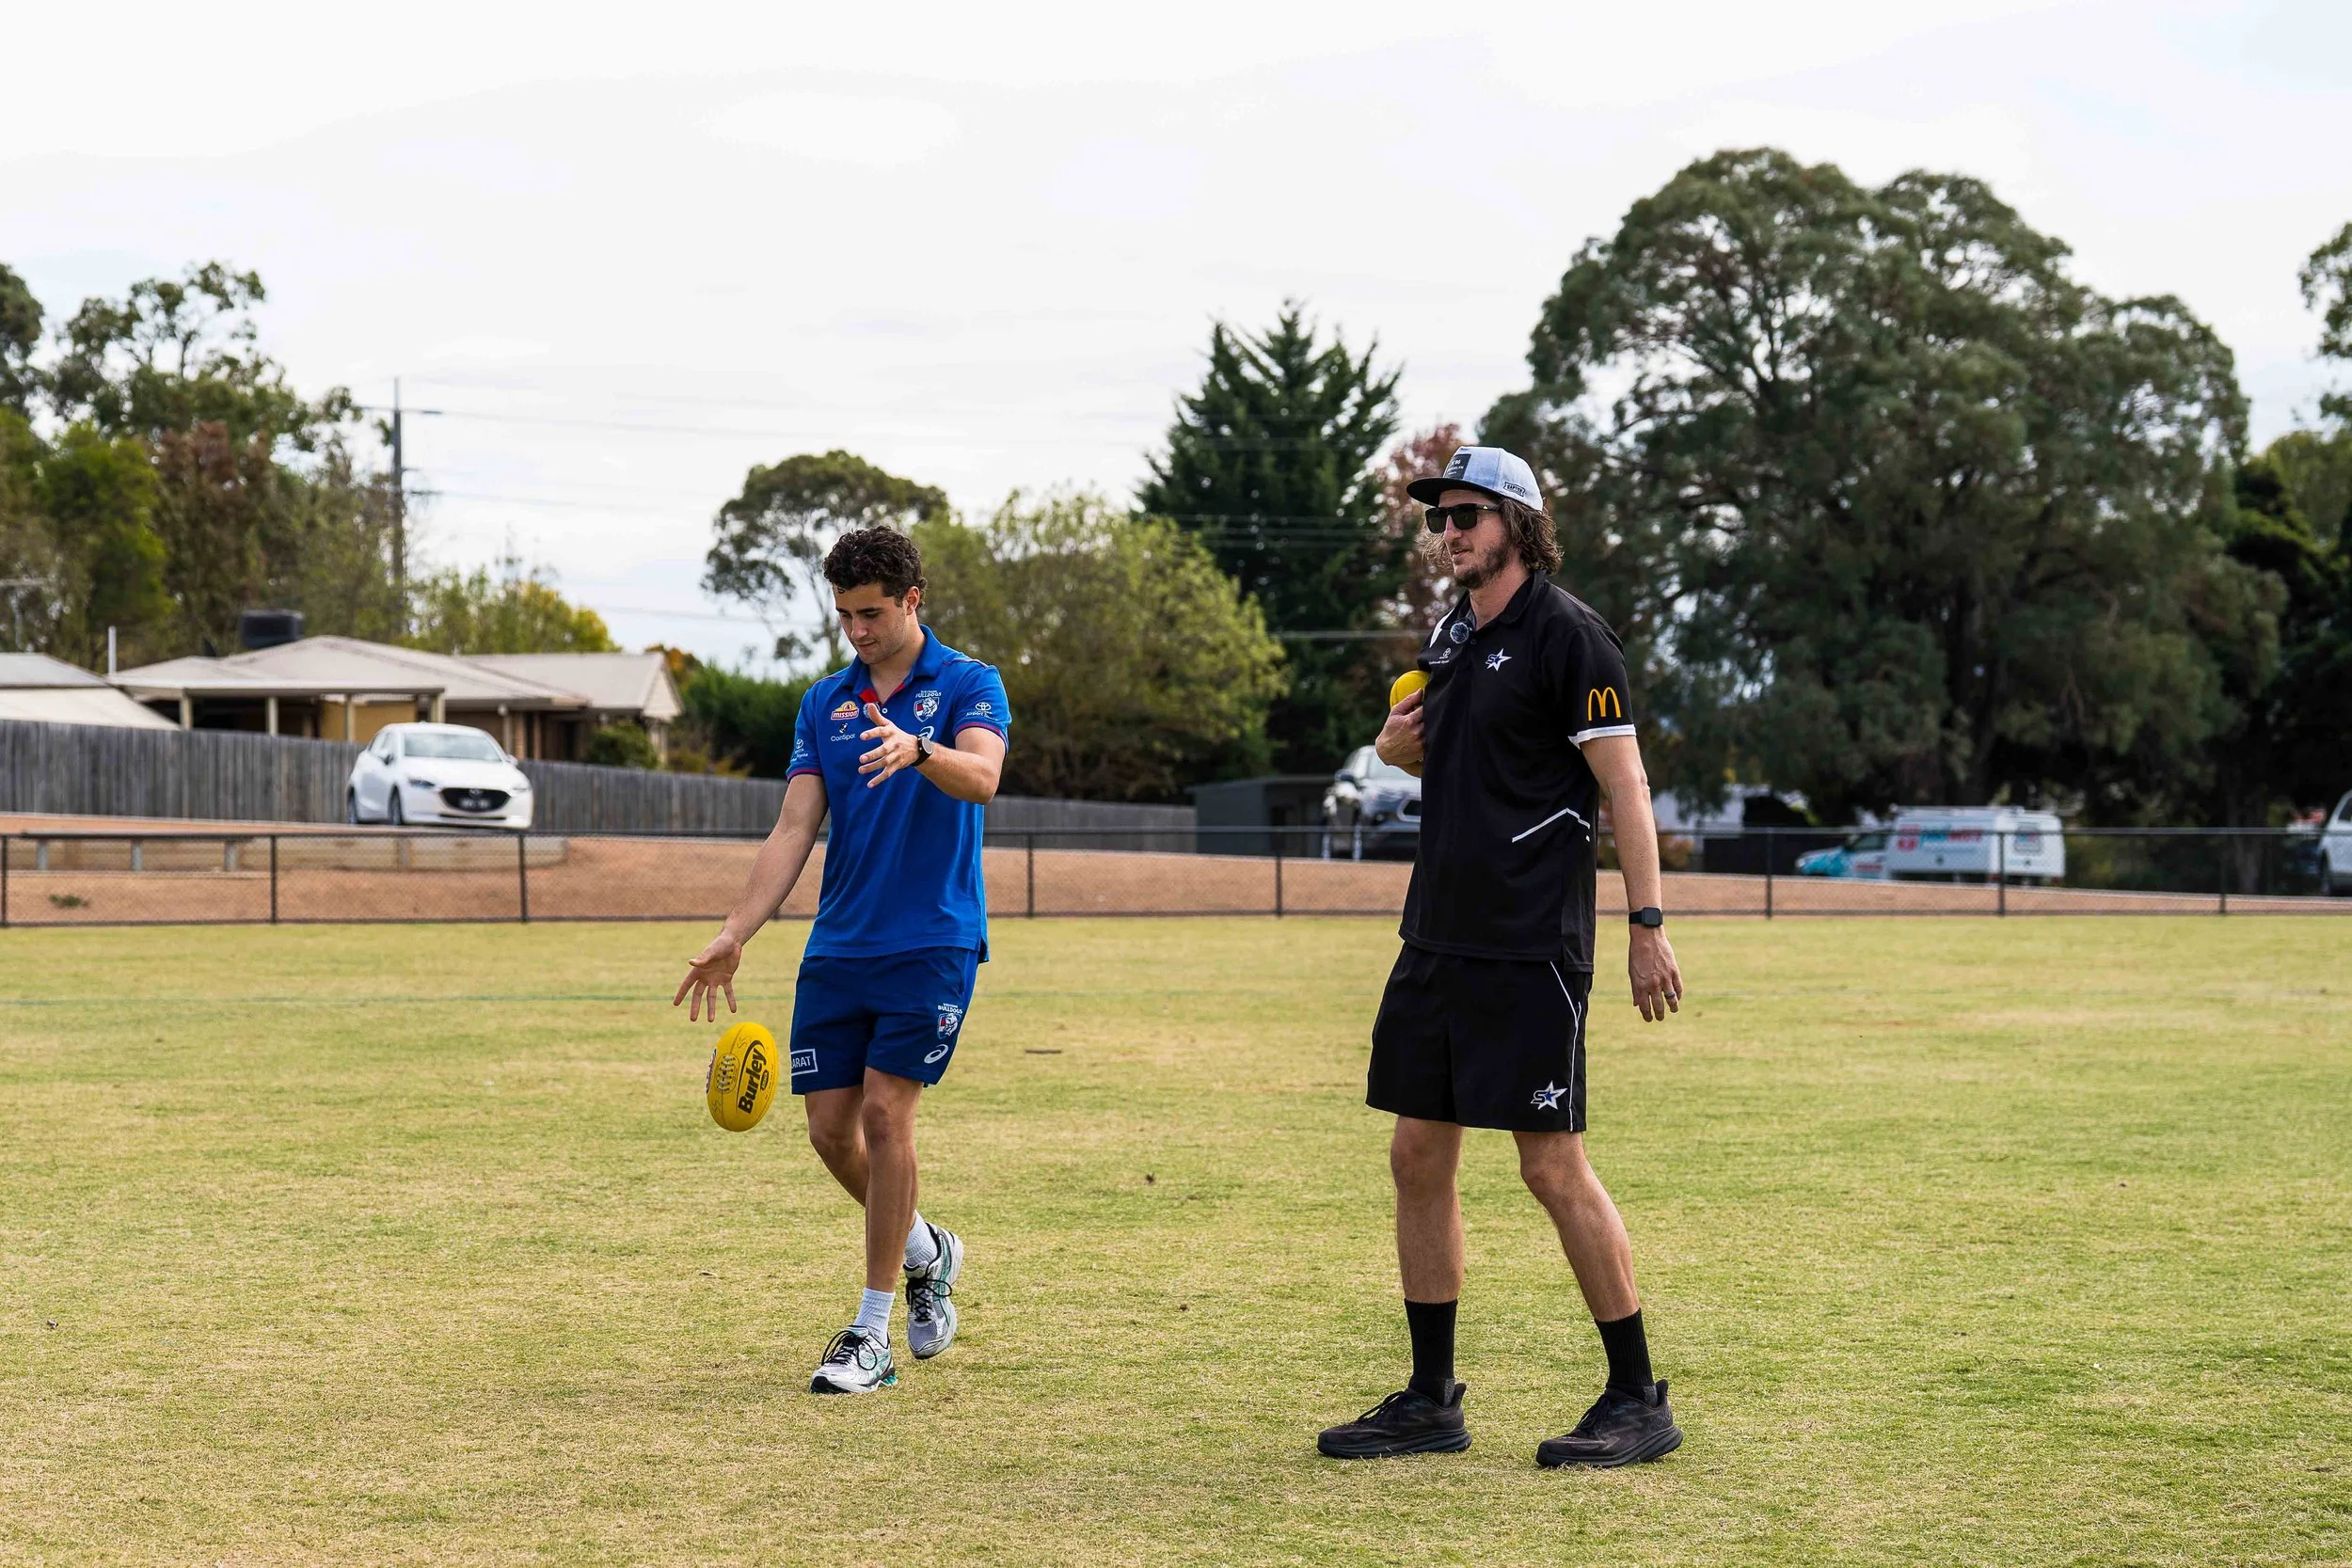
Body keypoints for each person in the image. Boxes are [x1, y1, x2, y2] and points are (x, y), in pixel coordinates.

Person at [1316, 445, 1688, 1467]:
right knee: (1416, 1155)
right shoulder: (1453, 633)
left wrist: (1646, 922)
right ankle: (1431, 1399)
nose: (1449, 531)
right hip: (1437, 933)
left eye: (1468, 514)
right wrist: (1392, 750)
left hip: (1530, 944)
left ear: (1517, 523)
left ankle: (1637, 1396)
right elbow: (1447, 756)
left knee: (1549, 1164)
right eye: (1439, 517)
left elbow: (1625, 787)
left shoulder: (1573, 637)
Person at [674, 526, 1009, 1396]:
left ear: (911, 600)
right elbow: (794, 827)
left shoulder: (969, 683)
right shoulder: (825, 702)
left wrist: (920, 748)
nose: (858, 631)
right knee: (830, 1131)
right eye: (845, 615)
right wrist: (736, 930)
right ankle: (928, 1248)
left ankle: (871, 1332)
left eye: (872, 614)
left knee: (887, 1117)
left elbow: (983, 778)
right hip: (840, 945)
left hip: (932, 939)